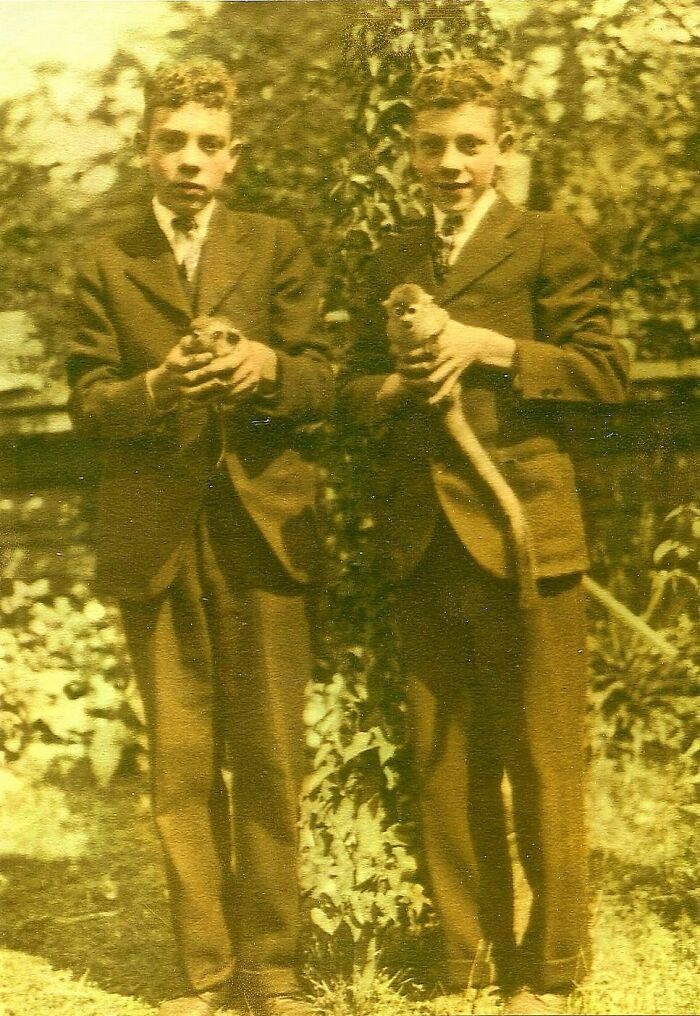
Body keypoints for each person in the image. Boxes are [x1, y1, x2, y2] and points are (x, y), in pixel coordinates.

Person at [339, 60, 628, 1016]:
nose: (450, 163)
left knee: (542, 760)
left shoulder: (547, 241)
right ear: (409, 152)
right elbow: (348, 385)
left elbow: (605, 371)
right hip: (423, 536)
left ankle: (549, 973)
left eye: (470, 143)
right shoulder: (390, 257)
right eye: (432, 145)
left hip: (523, 530)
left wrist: (486, 346)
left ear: (503, 150)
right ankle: (466, 959)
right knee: (444, 757)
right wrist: (392, 386)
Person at [67, 59, 331, 1016]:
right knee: (181, 766)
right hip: (158, 536)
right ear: (146, 150)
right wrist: (156, 389)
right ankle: (204, 975)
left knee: (269, 756)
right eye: (171, 141)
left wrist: (265, 366)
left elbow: (325, 380)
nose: (189, 160)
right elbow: (87, 404)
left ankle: (274, 971)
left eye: (207, 145)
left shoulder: (275, 245)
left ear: (232, 159)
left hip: (265, 529)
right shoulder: (107, 261)